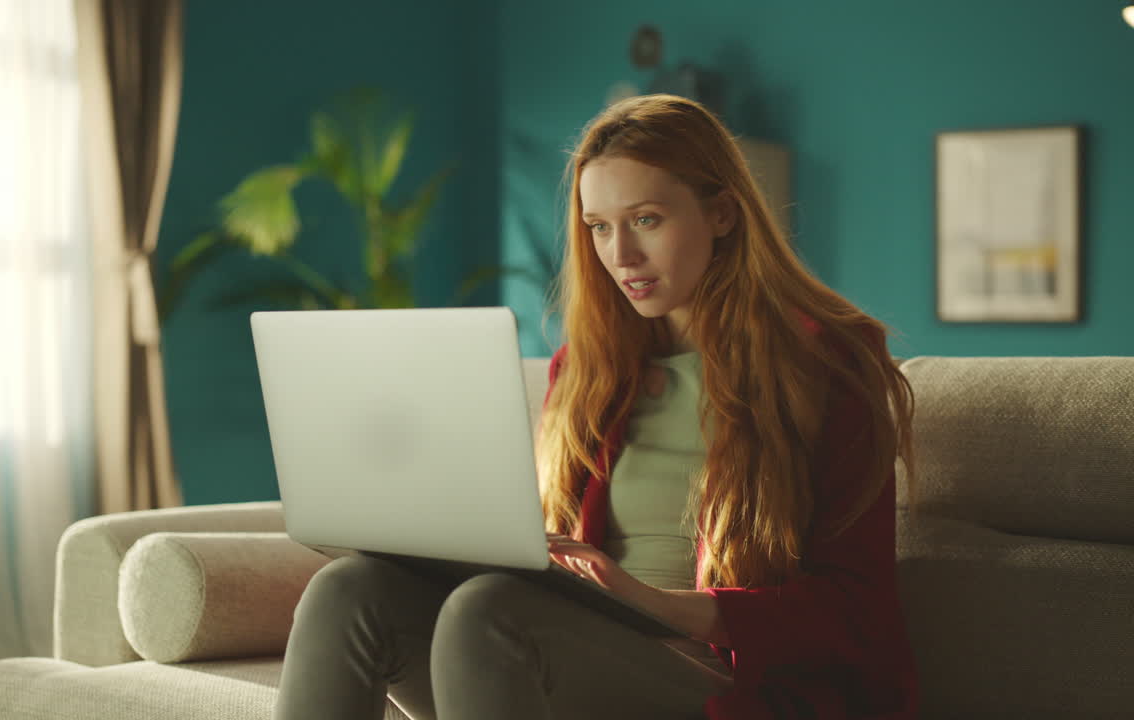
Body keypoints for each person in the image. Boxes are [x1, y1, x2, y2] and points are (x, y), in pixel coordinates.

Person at [274, 93, 918, 720]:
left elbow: (855, 609)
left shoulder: (827, 364)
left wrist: (657, 604)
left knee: (488, 613)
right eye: (599, 228)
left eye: (646, 220)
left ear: (722, 213)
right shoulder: (587, 371)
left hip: (725, 679)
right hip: (575, 646)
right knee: (348, 592)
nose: (621, 256)